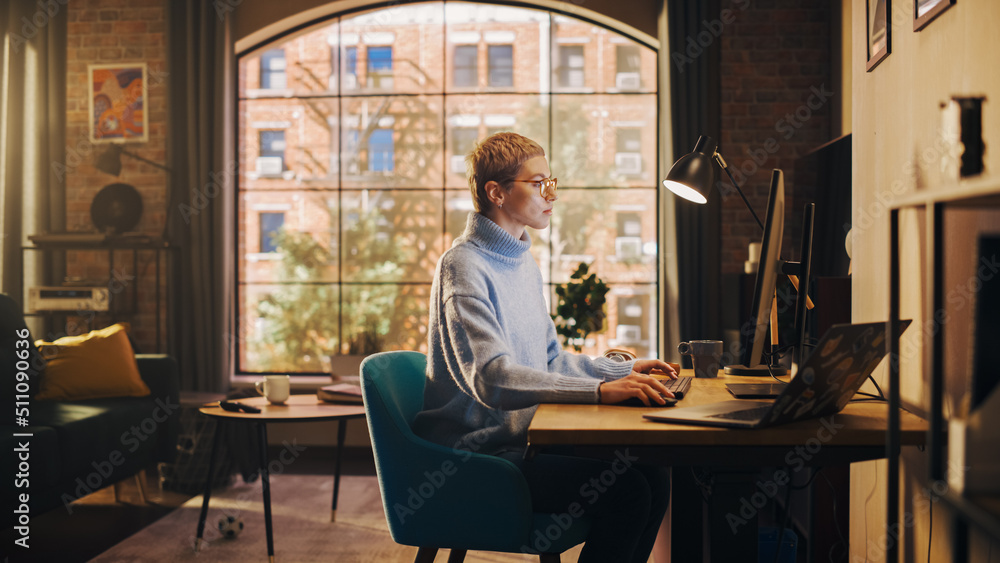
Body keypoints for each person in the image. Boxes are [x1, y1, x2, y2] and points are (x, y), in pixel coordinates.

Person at [413, 132, 676, 562]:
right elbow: (491, 379)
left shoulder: (521, 261)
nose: (551, 194)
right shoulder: (462, 266)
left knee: (654, 476)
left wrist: (618, 373)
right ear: (496, 192)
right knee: (629, 490)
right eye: (538, 184)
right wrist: (596, 392)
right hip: (480, 458)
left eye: (550, 181)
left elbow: (549, 357)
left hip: (522, 441)